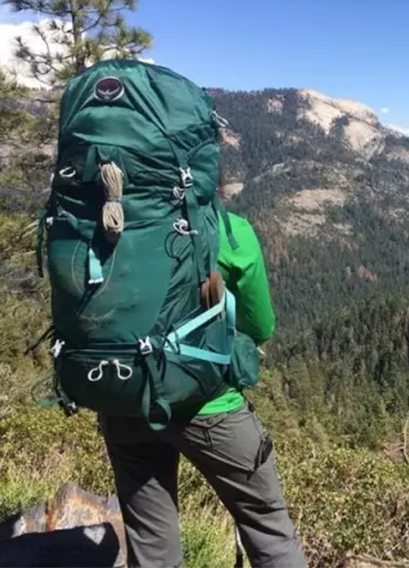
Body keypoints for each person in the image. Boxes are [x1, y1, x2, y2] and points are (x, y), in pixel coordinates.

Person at [97, 209, 307, 568]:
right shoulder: (226, 230)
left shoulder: (104, 223)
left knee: (152, 547)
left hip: (126, 401)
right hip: (208, 406)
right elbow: (261, 326)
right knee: (268, 529)